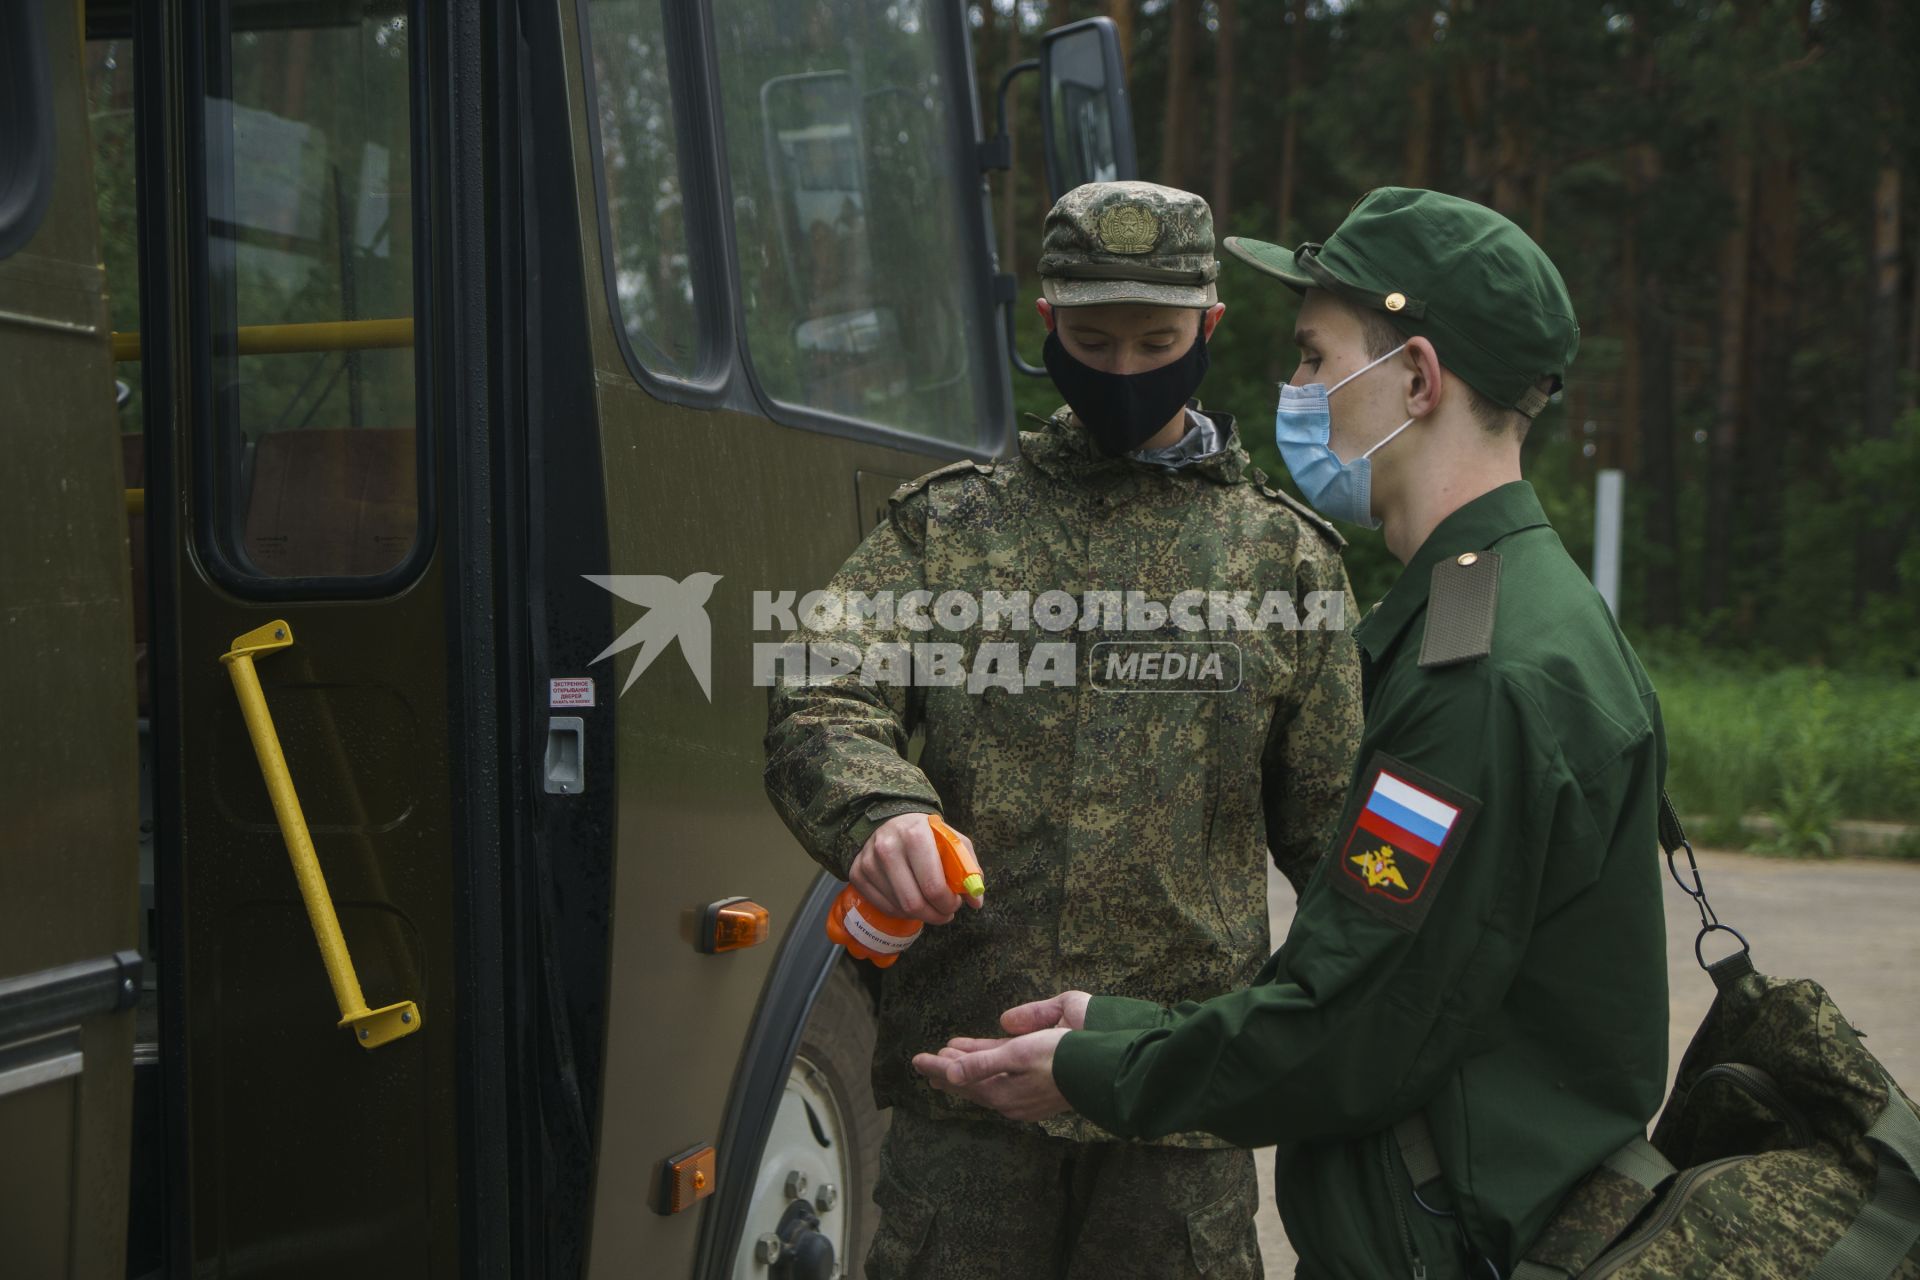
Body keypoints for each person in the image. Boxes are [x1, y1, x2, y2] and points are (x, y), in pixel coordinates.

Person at [914, 187, 1672, 1280]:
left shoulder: (1484, 672)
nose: (1296, 392)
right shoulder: (1489, 604)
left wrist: (1095, 1066)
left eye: (1316, 360)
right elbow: (1385, 977)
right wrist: (1117, 1020)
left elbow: (1349, 1028)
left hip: (1453, 1240)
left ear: (1416, 378)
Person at [763, 180, 1362, 1279]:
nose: (1125, 370)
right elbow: (816, 688)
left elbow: (1340, 851)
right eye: (1093, 339)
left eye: (1155, 339)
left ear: (1209, 332)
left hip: (1173, 1123)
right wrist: (879, 809)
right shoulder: (949, 530)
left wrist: (1335, 1057)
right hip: (965, 1101)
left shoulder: (1284, 562)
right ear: (1048, 330)